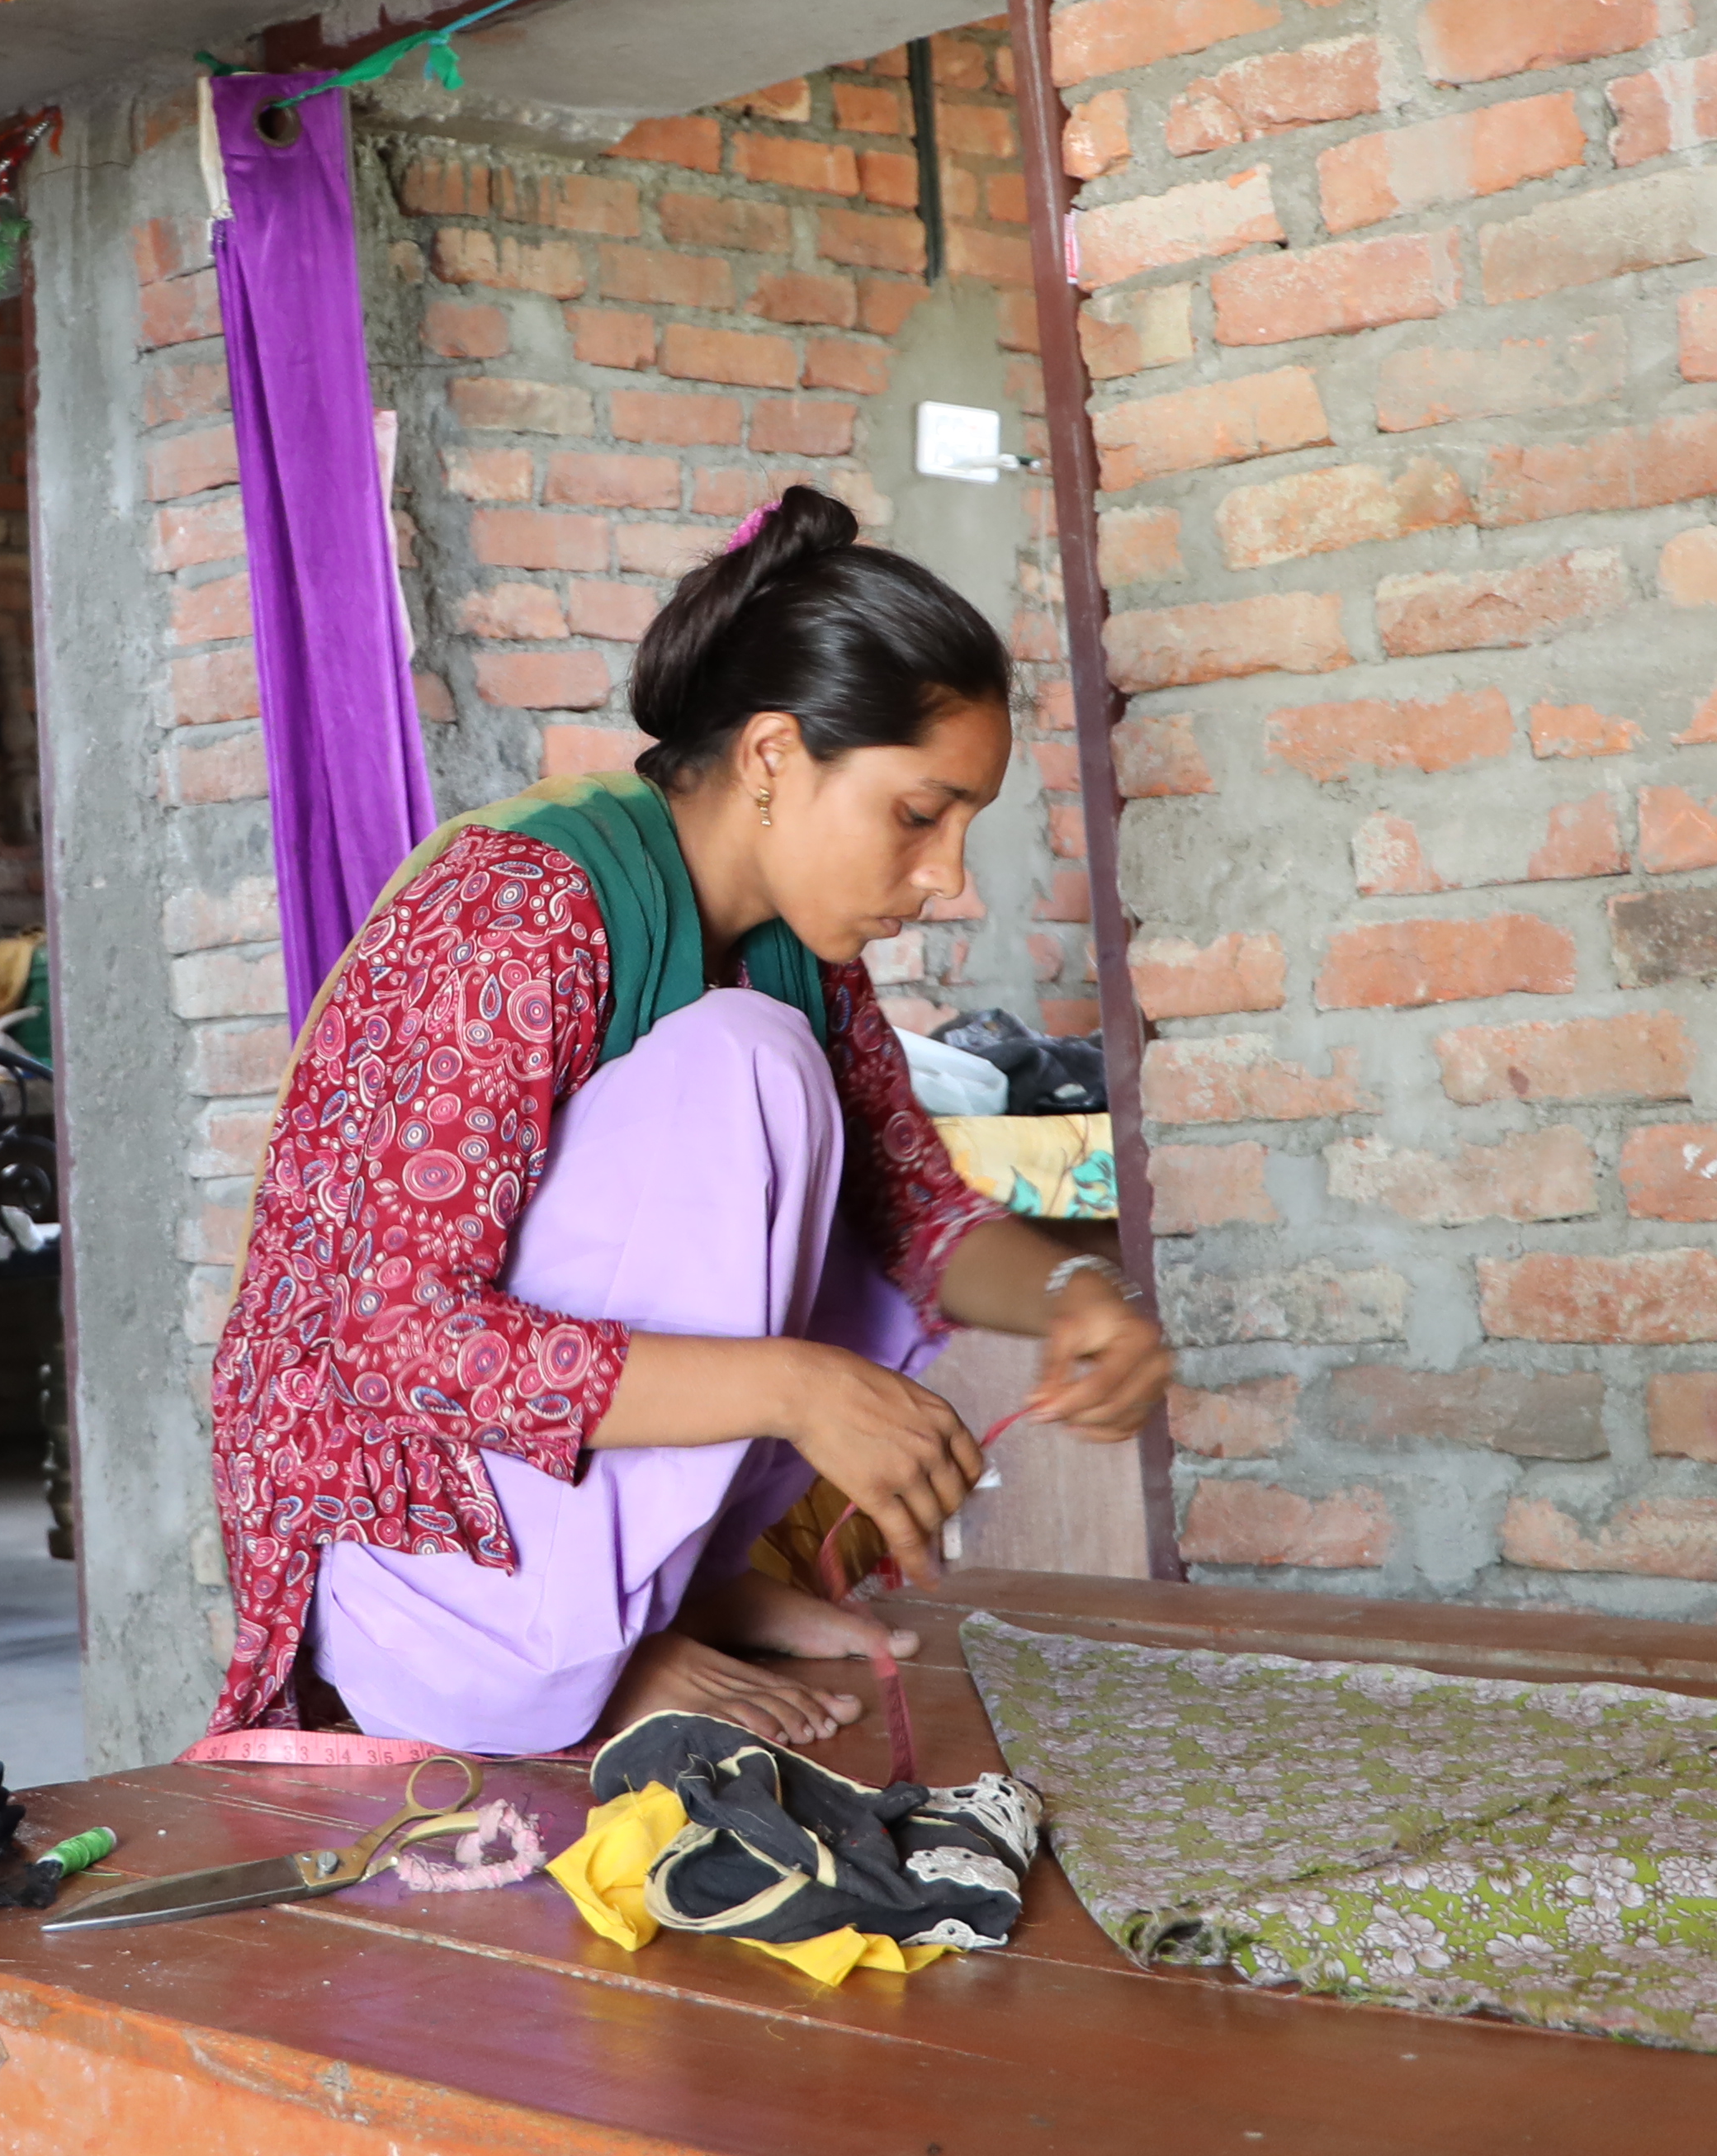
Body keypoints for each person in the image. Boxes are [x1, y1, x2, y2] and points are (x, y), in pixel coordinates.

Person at [195, 485, 1175, 1757]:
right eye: (920, 814)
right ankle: (583, 1636)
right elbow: (395, 1340)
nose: (945, 878)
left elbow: (915, 1215)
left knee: (777, 1067)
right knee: (745, 1065)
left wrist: (1078, 1297)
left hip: (538, 1553)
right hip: (424, 1603)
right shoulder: (522, 907)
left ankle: (663, 1596)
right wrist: (796, 1386)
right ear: (774, 756)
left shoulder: (796, 953)